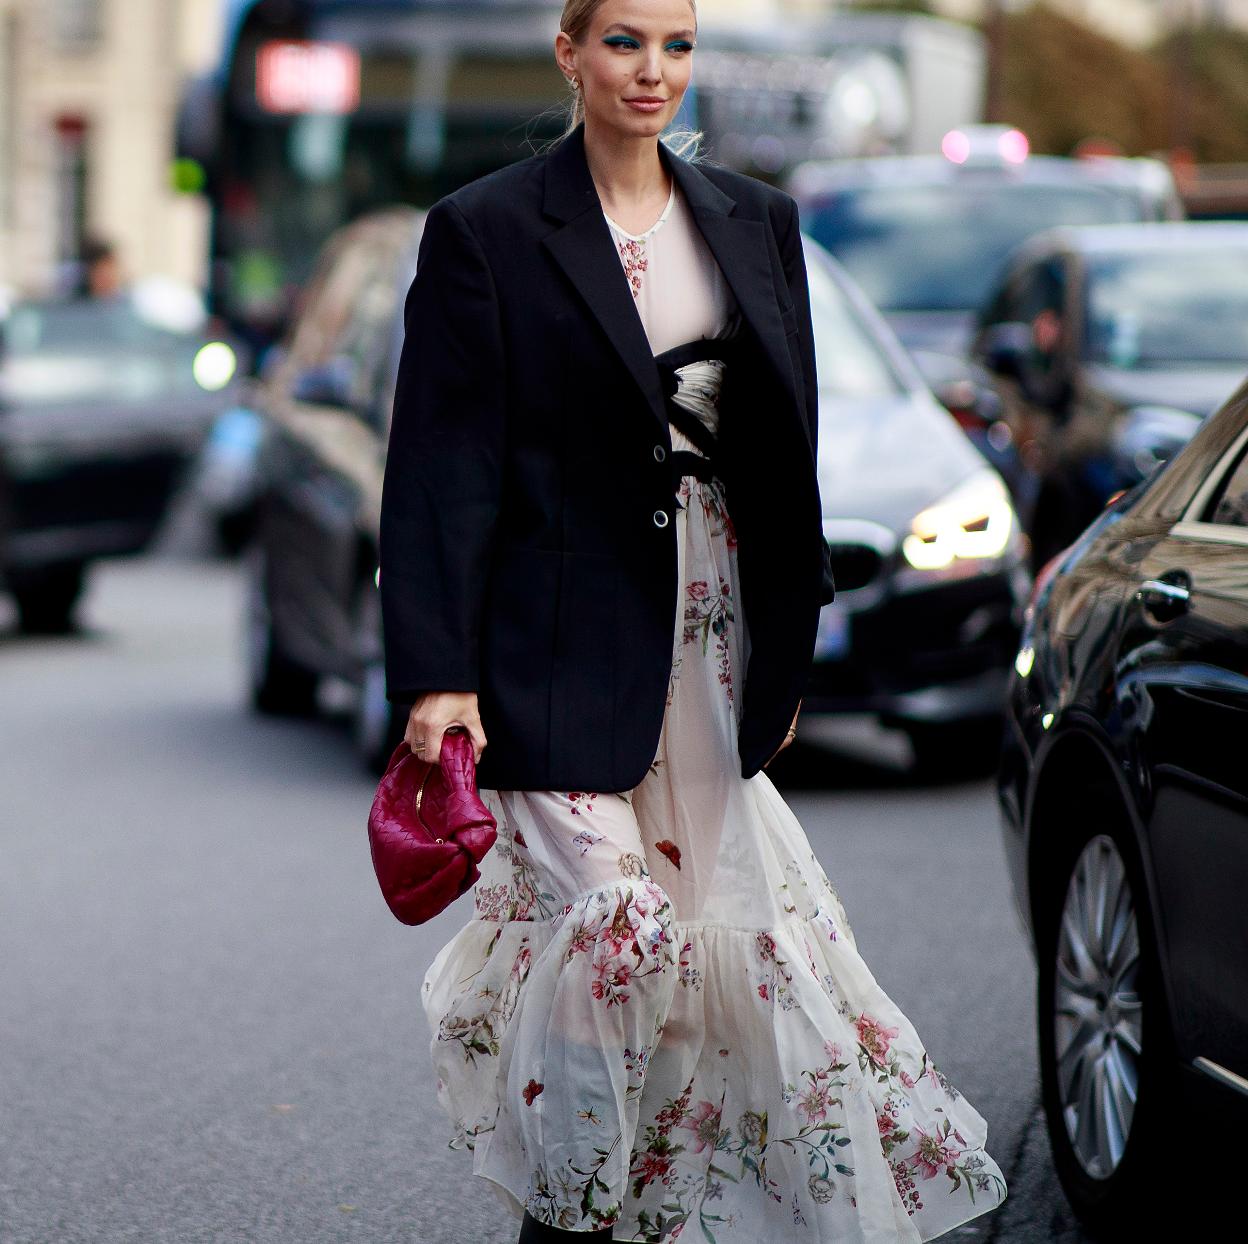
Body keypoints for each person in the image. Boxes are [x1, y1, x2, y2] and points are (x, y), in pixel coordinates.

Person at [379, 2, 1007, 1240]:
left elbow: (791, 447)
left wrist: (785, 646)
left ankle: (662, 1206)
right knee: (620, 924)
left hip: (706, 631)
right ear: (570, 53)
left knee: (717, 953)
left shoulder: (756, 223)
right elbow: (444, 461)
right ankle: (565, 1215)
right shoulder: (486, 231)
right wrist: (437, 670)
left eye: (675, 44)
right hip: (545, 645)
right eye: (622, 40)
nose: (651, 69)